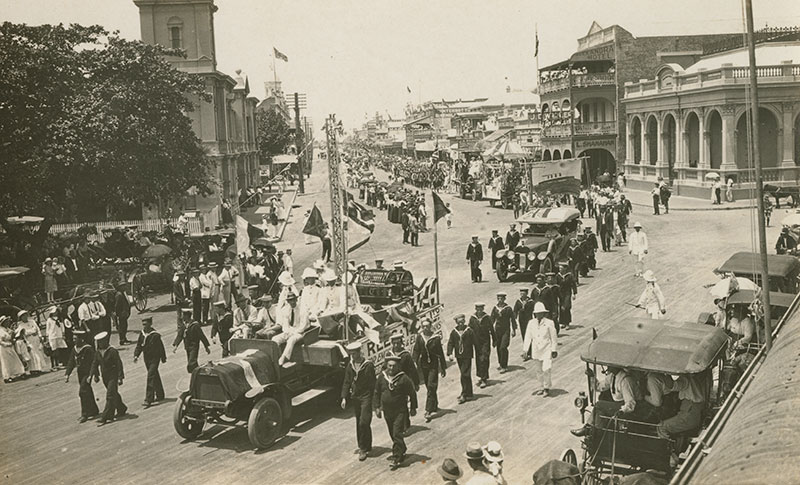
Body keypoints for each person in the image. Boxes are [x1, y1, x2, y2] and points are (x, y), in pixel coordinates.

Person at [373, 354, 417, 470]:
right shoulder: (382, 378)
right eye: (389, 366)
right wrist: (377, 407)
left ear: (398, 366)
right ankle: (401, 449)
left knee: (397, 432)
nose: (391, 368)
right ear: (386, 366)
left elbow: (412, 393)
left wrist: (413, 408)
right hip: (387, 411)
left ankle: (397, 457)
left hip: (400, 411)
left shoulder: (403, 378)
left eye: (393, 366)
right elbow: (377, 392)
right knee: (393, 434)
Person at [571, 366, 642, 437]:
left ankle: (590, 429)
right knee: (601, 407)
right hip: (620, 403)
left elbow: (630, 403)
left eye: (609, 365)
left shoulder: (625, 380)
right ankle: (595, 431)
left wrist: (622, 411)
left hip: (632, 408)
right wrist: (592, 376)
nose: (607, 366)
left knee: (599, 405)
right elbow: (599, 387)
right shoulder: (612, 376)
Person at [340, 341, 376, 462]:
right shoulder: (350, 366)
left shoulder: (368, 365)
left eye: (355, 353)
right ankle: (366, 445)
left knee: (363, 422)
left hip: (366, 397)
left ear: (359, 352)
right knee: (359, 422)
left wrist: (375, 401)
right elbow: (347, 381)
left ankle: (362, 449)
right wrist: (344, 397)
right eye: (351, 354)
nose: (353, 356)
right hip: (356, 397)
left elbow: (373, 384)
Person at [658, 371, 710, 439]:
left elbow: (672, 386)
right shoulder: (698, 378)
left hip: (690, 413)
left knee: (662, 427)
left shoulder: (686, 380)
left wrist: (662, 375)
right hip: (692, 410)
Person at [413, 318, 447, 422]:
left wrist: (443, 367)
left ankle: (428, 410)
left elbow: (440, 353)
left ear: (430, 326)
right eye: (423, 326)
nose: (425, 328)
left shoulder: (435, 338)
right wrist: (414, 361)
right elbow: (416, 350)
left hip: (433, 365)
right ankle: (435, 405)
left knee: (432, 386)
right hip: (424, 365)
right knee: (429, 386)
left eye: (427, 326)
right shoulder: (420, 337)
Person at [91, 332, 127, 426]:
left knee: (110, 395)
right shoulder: (98, 352)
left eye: (101, 342)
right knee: (113, 393)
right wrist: (95, 375)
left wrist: (120, 377)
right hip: (105, 377)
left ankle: (106, 416)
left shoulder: (112, 351)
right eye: (98, 342)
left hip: (113, 376)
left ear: (105, 341)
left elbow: (119, 364)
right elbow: (95, 364)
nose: (99, 344)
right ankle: (121, 408)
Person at [522, 303, 558, 397]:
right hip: (536, 349)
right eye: (537, 313)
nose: (539, 315)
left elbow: (553, 337)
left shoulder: (549, 323)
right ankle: (541, 387)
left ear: (544, 313)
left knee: (546, 369)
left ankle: (547, 387)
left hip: (546, 348)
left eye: (540, 313)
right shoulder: (531, 323)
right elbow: (528, 336)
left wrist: (554, 349)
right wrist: (525, 350)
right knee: (538, 370)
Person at [64, 329, 99, 421]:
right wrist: (67, 374)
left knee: (82, 392)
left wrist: (95, 375)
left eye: (75, 338)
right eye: (73, 338)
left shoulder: (88, 349)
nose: (73, 340)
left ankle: (85, 414)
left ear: (81, 339)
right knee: (87, 390)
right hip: (80, 373)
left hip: (88, 373)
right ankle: (94, 410)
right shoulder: (74, 349)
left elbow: (94, 362)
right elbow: (71, 362)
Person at [133, 317, 167, 407]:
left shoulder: (155, 335)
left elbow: (161, 347)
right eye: (143, 324)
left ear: (150, 324)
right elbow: (139, 345)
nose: (144, 326)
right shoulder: (142, 334)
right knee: (154, 375)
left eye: (146, 324)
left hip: (155, 358)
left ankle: (149, 399)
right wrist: (136, 355)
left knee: (150, 376)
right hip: (146, 359)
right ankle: (160, 394)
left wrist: (163, 358)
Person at [272, 292, 308, 367]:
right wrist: (287, 332)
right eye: (290, 300)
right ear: (287, 301)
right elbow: (285, 325)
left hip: (300, 333)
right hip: (289, 331)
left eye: (293, 300)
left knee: (291, 340)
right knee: (274, 339)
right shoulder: (285, 310)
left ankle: (284, 358)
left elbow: (303, 326)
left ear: (296, 300)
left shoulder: (302, 309)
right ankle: (277, 357)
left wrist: (294, 332)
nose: (292, 302)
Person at [447, 314, 475, 404]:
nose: (461, 324)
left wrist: (480, 352)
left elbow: (475, 341)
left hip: (467, 355)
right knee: (465, 374)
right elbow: (450, 343)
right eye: (459, 323)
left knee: (464, 374)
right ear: (456, 323)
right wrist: (450, 353)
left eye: (462, 322)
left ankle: (464, 394)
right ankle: (469, 393)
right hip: (459, 356)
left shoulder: (469, 331)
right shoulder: (454, 332)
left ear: (464, 322)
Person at [490, 292, 516, 373]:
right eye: (498, 298)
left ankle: (504, 365)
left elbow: (512, 319)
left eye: (501, 298)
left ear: (504, 299)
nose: (500, 300)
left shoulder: (508, 308)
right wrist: (490, 330)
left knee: (503, 347)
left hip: (506, 330)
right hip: (497, 330)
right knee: (498, 347)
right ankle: (501, 363)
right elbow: (492, 320)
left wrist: (513, 330)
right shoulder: (495, 308)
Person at [469, 302, 492, 388]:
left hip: (486, 341)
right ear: (476, 309)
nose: (479, 311)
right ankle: (481, 375)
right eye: (478, 309)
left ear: (483, 309)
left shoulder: (487, 318)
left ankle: (484, 378)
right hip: (476, 342)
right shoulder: (472, 318)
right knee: (479, 359)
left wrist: (494, 340)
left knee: (484, 358)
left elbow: (491, 329)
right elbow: (469, 330)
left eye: (481, 309)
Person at [1, 316, 26, 382]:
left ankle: (20, 372)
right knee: (6, 362)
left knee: (15, 359)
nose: (7, 322)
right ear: (2, 323)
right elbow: (0, 341)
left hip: (10, 347)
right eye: (6, 321)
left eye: (7, 321)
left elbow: (12, 337)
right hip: (4, 348)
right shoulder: (0, 330)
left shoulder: (8, 330)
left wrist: (13, 340)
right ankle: (7, 377)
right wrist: (7, 344)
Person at [513, 288, 534, 355]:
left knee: (529, 335)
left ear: (527, 294)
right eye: (521, 293)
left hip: (529, 320)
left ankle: (530, 351)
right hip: (521, 321)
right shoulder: (518, 302)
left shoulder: (531, 302)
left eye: (523, 293)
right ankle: (527, 350)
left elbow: (535, 311)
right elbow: (515, 311)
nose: (522, 295)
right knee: (524, 335)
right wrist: (514, 319)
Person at [557, 262, 577, 330]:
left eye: (561, 268)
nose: (560, 269)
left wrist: (574, 293)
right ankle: (562, 322)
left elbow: (573, 284)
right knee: (561, 307)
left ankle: (567, 323)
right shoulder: (558, 276)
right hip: (560, 293)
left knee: (566, 307)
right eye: (559, 268)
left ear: (565, 269)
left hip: (567, 293)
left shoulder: (569, 276)